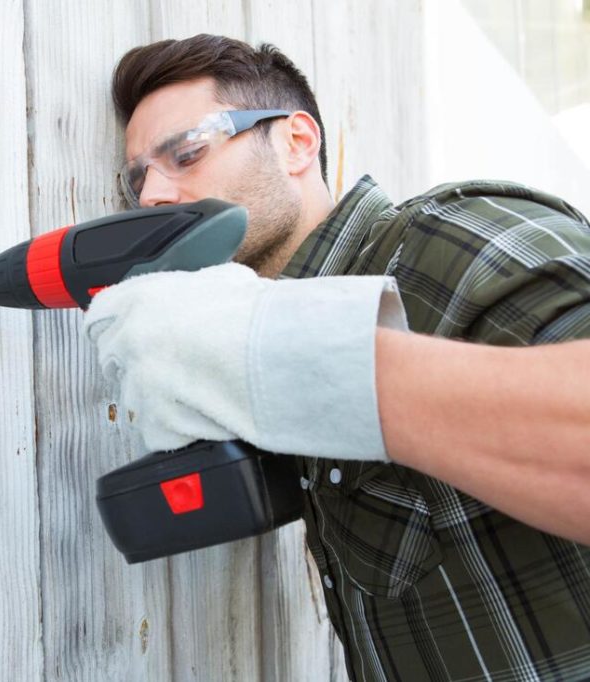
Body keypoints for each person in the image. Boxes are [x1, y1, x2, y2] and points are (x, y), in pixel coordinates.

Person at [85, 34, 590, 681]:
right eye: (138, 181)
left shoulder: (457, 239)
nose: (154, 194)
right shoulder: (250, 344)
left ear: (297, 141)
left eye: (186, 152)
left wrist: (285, 353)